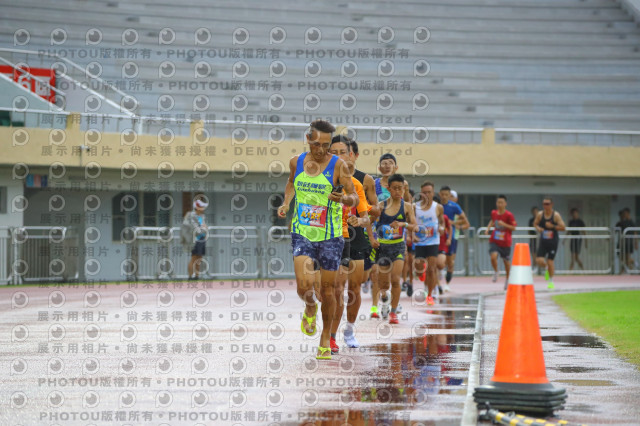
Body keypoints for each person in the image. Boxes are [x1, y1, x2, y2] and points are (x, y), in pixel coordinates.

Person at [277, 120, 358, 360]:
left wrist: (343, 199)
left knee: (328, 291)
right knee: (304, 286)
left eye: (325, 145)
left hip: (331, 235)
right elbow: (290, 183)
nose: (320, 150)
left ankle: (325, 337)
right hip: (302, 230)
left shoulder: (339, 166)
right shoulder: (296, 162)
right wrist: (286, 202)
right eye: (316, 144)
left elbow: (353, 196)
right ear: (308, 139)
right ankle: (310, 306)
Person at [328, 136, 376, 352]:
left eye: (342, 152)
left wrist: (363, 221)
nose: (339, 157)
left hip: (355, 236)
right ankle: (330, 335)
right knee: (335, 288)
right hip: (330, 235)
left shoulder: (362, 181)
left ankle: (348, 330)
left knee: (354, 288)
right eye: (334, 152)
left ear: (351, 154)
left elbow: (372, 211)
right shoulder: (322, 177)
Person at [369, 153, 411, 318]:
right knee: (376, 273)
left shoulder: (402, 184)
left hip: (397, 235)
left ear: (396, 167)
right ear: (379, 167)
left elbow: (408, 207)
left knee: (395, 275)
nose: (387, 166)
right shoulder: (374, 184)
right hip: (377, 232)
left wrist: (407, 230)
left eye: (390, 163)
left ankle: (393, 303)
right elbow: (370, 206)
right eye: (384, 163)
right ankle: (378, 303)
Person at [376, 174, 417, 324]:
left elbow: (415, 226)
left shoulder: (407, 206)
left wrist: (402, 224)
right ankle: (385, 300)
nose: (398, 191)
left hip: (398, 246)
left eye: (401, 188)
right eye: (395, 188)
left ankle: (393, 312)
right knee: (384, 285)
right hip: (382, 247)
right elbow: (369, 221)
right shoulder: (381, 206)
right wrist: (372, 239)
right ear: (389, 189)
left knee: (395, 279)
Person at [413, 181, 445, 306]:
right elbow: (411, 222)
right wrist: (412, 235)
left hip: (433, 241)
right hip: (420, 242)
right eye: (424, 192)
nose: (426, 195)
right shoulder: (415, 207)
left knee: (432, 269)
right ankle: (421, 274)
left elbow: (442, 222)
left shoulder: (438, 207)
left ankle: (430, 295)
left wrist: (441, 228)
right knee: (419, 268)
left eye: (429, 192)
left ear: (433, 193)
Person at [439, 186, 470, 291]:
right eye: (442, 194)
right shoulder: (436, 205)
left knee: (450, 262)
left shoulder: (454, 206)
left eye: (446, 195)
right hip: (437, 237)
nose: (444, 196)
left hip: (450, 237)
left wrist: (453, 223)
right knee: (438, 261)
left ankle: (447, 284)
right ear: (439, 194)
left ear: (449, 195)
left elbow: (465, 221)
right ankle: (438, 282)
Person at [484, 195, 517, 289]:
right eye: (498, 202)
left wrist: (504, 224)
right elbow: (492, 220)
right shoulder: (494, 213)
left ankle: (507, 279)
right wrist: (488, 229)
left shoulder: (509, 215)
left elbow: (514, 227)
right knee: (493, 256)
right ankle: (496, 271)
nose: (499, 204)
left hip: (505, 242)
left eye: (501, 202)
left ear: (505, 204)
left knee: (506, 261)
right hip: (495, 239)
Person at [534, 197, 566, 290]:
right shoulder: (540, 214)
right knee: (539, 260)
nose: (546, 206)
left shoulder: (555, 215)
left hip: (553, 241)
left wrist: (553, 226)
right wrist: (538, 228)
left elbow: (563, 227)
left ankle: (551, 281)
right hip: (543, 241)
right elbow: (535, 224)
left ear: (552, 204)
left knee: (550, 261)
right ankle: (546, 267)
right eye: (544, 204)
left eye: (547, 204)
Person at [181, 198, 208, 280]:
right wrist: (203, 229)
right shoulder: (191, 216)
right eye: (201, 207)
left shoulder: (202, 216)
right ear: (197, 208)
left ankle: (197, 276)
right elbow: (194, 228)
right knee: (193, 257)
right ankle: (190, 276)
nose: (203, 208)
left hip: (201, 239)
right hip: (194, 240)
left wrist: (203, 229)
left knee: (199, 258)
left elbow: (205, 227)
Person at [432, 194, 452, 294]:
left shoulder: (444, 217)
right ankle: (438, 285)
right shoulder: (427, 217)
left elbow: (450, 228)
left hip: (442, 244)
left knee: (440, 265)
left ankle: (440, 274)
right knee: (433, 266)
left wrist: (449, 238)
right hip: (431, 244)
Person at [402, 189, 417, 296]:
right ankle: (404, 281)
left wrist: (413, 236)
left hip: (412, 238)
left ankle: (411, 282)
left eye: (410, 198)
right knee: (405, 260)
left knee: (411, 260)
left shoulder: (414, 209)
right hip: (402, 237)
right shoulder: (400, 207)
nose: (408, 199)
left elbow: (416, 225)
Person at [616, 207, 638, 272]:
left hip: (629, 243)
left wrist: (636, 243)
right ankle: (632, 265)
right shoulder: (621, 222)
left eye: (625, 213)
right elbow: (616, 230)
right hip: (622, 242)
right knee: (623, 258)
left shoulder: (631, 222)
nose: (624, 215)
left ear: (628, 213)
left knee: (627, 258)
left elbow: (635, 233)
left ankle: (625, 270)